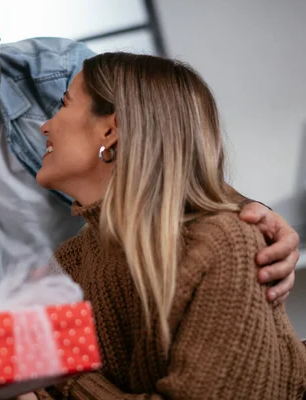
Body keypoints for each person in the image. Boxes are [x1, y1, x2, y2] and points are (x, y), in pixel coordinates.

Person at [0, 0, 299, 313]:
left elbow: (158, 147)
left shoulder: (61, 70)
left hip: (130, 288)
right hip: (32, 335)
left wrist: (246, 211)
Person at [31, 52, 306, 399]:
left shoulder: (224, 245)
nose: (45, 126)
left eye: (64, 105)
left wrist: (69, 379)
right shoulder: (68, 265)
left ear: (110, 130)